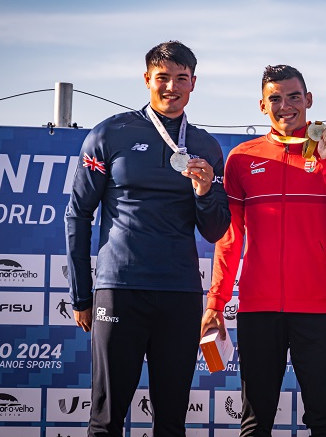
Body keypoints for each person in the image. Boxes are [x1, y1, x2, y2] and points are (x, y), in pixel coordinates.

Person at [65, 40, 230, 437]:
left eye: (181, 79)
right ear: (146, 80)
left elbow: (214, 230)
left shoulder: (206, 145)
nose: (171, 87)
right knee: (106, 418)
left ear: (193, 83)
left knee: (171, 420)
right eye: (162, 78)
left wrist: (206, 192)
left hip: (179, 293)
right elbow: (78, 213)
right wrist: (82, 295)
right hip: (120, 288)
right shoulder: (110, 133)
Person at [200, 65, 326, 437]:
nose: (285, 106)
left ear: (308, 100)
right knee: (255, 421)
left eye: (294, 96)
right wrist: (216, 302)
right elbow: (230, 239)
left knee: (324, 421)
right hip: (259, 310)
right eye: (275, 98)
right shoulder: (242, 158)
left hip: (319, 309)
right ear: (262, 106)